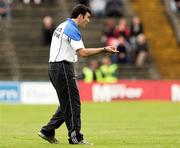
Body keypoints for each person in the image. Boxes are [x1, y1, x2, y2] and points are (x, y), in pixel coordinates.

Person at [38, 4, 118, 145]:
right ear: (80, 16)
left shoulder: (62, 25)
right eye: (87, 17)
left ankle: (47, 131)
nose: (88, 20)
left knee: (66, 103)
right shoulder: (71, 29)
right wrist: (104, 49)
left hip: (54, 67)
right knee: (73, 104)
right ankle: (75, 138)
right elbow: (82, 52)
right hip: (62, 67)